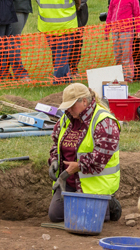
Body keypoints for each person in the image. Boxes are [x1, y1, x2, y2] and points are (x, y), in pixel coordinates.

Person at [47, 83, 122, 222]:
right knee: (55, 216)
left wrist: (79, 166)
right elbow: (55, 143)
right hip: (69, 182)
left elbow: (100, 157)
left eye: (72, 105)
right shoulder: (66, 118)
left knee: (86, 220)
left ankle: (108, 203)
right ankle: (96, 205)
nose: (68, 110)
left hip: (93, 185)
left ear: (85, 102)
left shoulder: (104, 122)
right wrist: (54, 160)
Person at [33, 0, 81, 85]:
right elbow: (78, 0)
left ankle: (67, 80)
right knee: (62, 55)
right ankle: (58, 81)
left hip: (48, 25)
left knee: (58, 54)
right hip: (67, 25)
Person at [106, 0, 140, 81]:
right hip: (115, 30)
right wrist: (107, 31)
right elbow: (110, 14)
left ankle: (128, 77)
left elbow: (137, 14)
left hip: (127, 31)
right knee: (118, 54)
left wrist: (138, 29)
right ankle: (119, 76)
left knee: (126, 55)